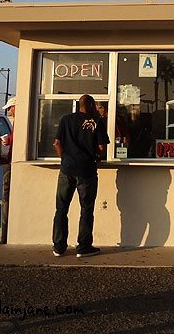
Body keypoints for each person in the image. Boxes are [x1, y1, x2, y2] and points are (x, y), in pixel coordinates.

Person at [52, 94, 110, 258]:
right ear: (91, 105)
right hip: (87, 170)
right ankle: (83, 247)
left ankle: (59, 247)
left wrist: (64, 158)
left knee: (61, 208)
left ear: (79, 105)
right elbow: (100, 147)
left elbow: (57, 143)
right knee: (86, 209)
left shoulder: (66, 119)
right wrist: (97, 157)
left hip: (66, 169)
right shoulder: (96, 121)